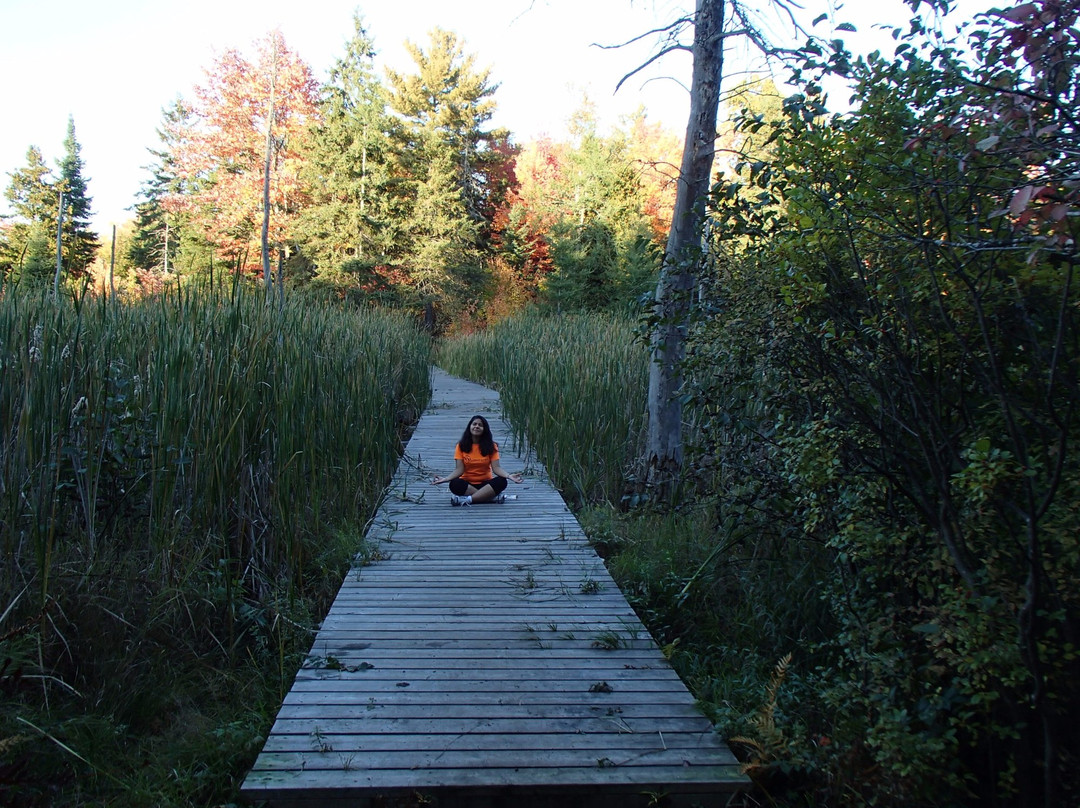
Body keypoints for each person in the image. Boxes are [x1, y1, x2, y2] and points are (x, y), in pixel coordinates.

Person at [431, 415, 523, 505]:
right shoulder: (461, 446)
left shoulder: (492, 446)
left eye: (480, 425)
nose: (477, 426)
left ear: (484, 429)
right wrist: (446, 479)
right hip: (467, 484)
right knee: (454, 484)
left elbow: (496, 468)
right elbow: (459, 469)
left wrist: (509, 476)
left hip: (486, 484)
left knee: (502, 481)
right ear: (469, 427)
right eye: (474, 424)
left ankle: (468, 499)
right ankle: (490, 497)